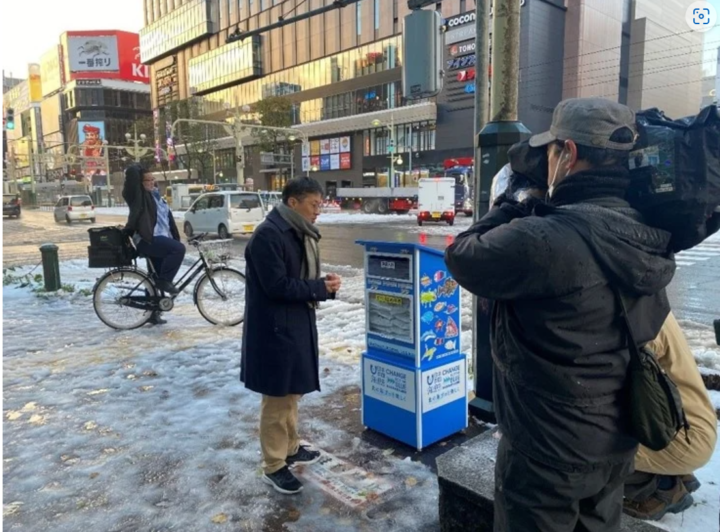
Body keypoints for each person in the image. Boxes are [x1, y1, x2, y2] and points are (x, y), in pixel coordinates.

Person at [445, 98, 676, 531]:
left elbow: (462, 255)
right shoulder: (646, 230)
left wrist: (512, 204)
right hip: (616, 435)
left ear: (567, 154)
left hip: (546, 449)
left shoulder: (545, 238)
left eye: (550, 151)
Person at [241, 177, 342, 495]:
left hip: (294, 323)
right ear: (293, 202)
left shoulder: (298, 232)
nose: (318, 212)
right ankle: (273, 464)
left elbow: (298, 278)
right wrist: (319, 288)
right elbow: (277, 286)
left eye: (320, 205)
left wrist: (323, 284)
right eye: (314, 205)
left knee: (291, 392)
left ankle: (291, 447)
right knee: (276, 398)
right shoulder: (268, 235)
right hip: (274, 329)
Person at [623, 312, 717, 520]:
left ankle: (659, 488)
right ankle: (672, 472)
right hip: (690, 423)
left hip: (677, 435)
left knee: (573, 445)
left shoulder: (632, 319)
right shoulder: (650, 300)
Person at [123, 164, 185, 324]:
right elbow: (131, 174)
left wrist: (174, 238)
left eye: (153, 179)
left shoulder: (158, 197)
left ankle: (152, 313)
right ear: (140, 183)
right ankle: (165, 282)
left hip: (161, 240)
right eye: (147, 180)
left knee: (153, 277)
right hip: (148, 240)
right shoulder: (138, 197)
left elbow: (166, 222)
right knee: (179, 250)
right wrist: (139, 166)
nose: (151, 182)